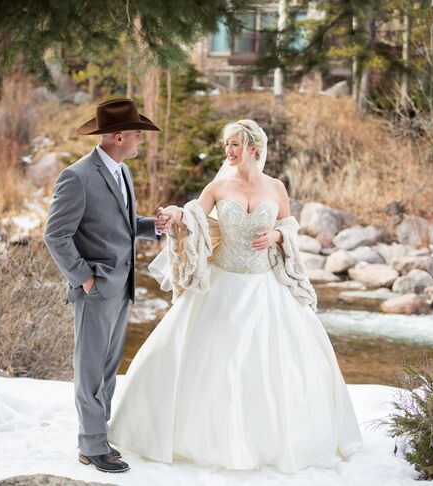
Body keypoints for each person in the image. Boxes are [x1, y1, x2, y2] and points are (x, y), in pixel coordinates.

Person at [107, 119, 362, 474]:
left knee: (280, 365)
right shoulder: (218, 186)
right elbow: (194, 218)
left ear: (253, 147)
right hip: (222, 283)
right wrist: (175, 214)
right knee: (204, 359)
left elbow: (289, 224)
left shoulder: (276, 187)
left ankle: (276, 442)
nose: (228, 151)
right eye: (226, 145)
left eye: (234, 145)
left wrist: (276, 237)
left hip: (266, 287)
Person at [44, 98, 172, 474]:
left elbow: (122, 220)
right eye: (136, 135)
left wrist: (153, 227)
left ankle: (101, 438)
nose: (140, 141)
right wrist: (83, 278)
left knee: (107, 369)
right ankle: (91, 446)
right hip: (96, 288)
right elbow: (56, 235)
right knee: (89, 370)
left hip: (122, 286)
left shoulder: (122, 172)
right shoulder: (77, 176)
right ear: (118, 136)